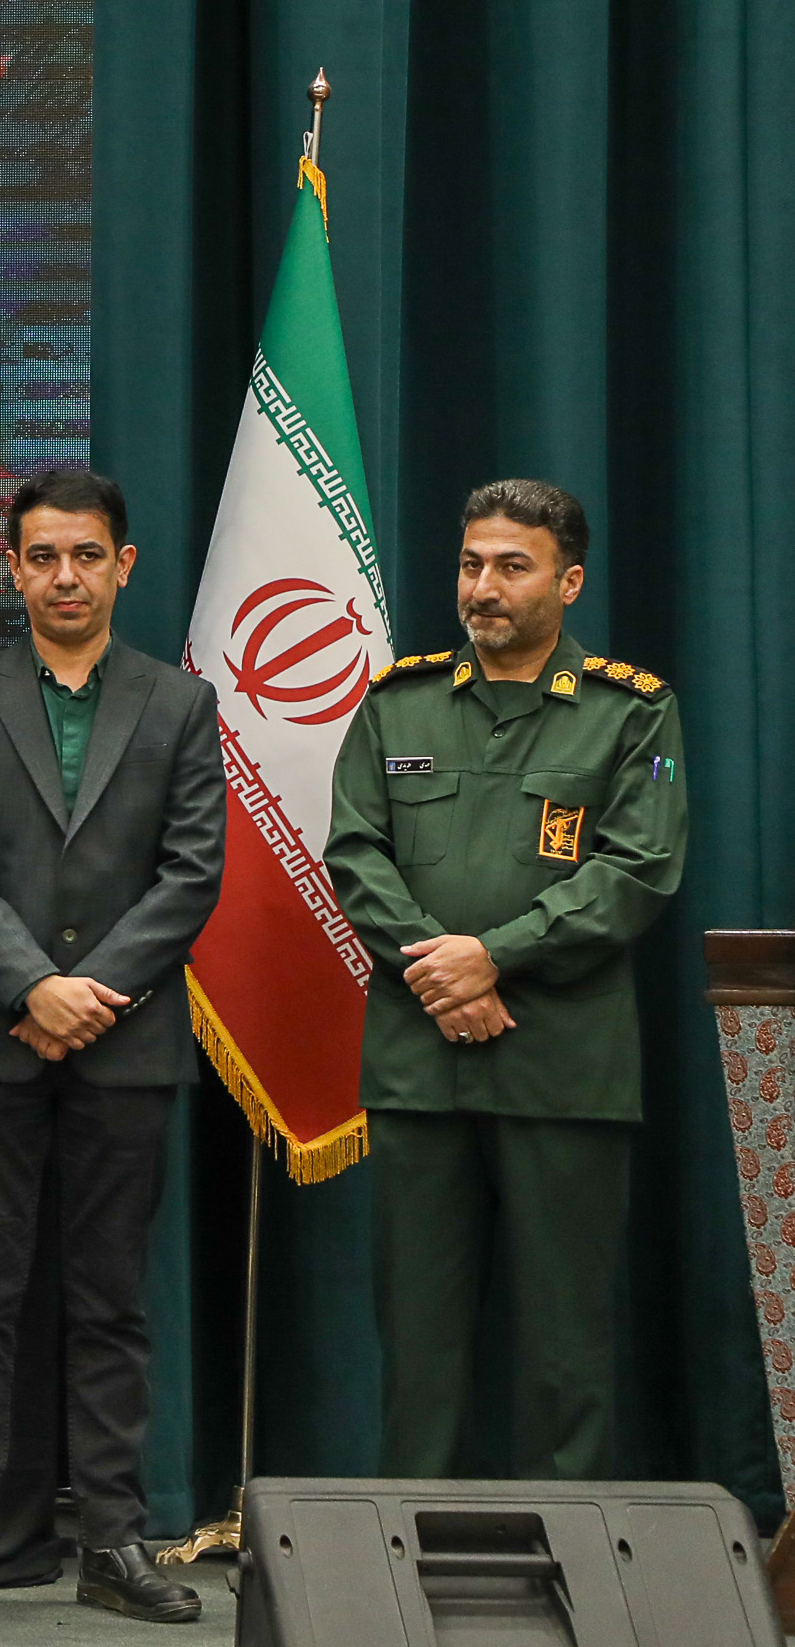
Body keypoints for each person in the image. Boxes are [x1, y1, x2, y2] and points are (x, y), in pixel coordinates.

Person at [0, 470, 221, 1626]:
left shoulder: (181, 703)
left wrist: (91, 993)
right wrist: (34, 984)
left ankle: (115, 1542)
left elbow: (193, 871)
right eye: (43, 556)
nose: (65, 577)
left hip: (127, 1049)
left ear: (122, 565)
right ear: (15, 568)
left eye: (86, 555)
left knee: (111, 1301)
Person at [326, 479, 686, 1481]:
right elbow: (355, 853)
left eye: (512, 567)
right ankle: (413, 1542)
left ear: (569, 583)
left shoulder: (631, 711)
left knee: (567, 1342)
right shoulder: (396, 701)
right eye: (471, 564)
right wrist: (445, 971)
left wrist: (495, 955)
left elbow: (638, 869)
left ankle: (566, 1544)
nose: (483, 587)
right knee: (418, 1340)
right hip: (419, 1064)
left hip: (562, 1067)